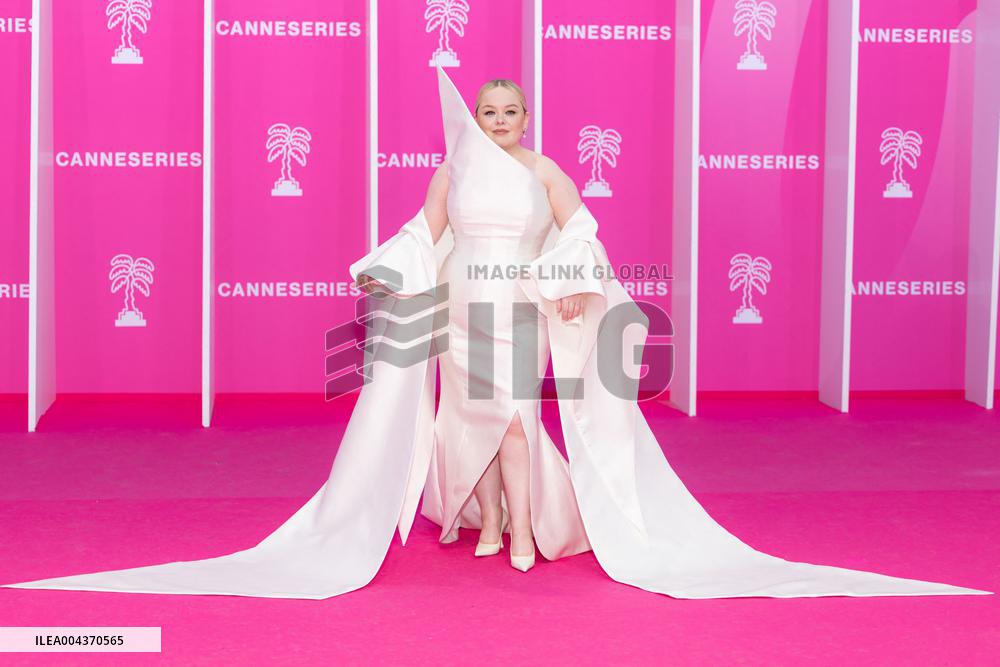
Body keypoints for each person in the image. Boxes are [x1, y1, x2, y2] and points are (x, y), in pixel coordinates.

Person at [2, 66, 992, 600]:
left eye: (512, 110)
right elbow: (422, 234)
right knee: (462, 419)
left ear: (526, 115)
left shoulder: (546, 171)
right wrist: (383, 268)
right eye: (489, 110)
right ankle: (480, 519)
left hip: (516, 306)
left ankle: (520, 530)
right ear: (474, 115)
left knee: (518, 417)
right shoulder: (450, 170)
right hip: (457, 310)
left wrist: (572, 290)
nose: (501, 120)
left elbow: (582, 232)